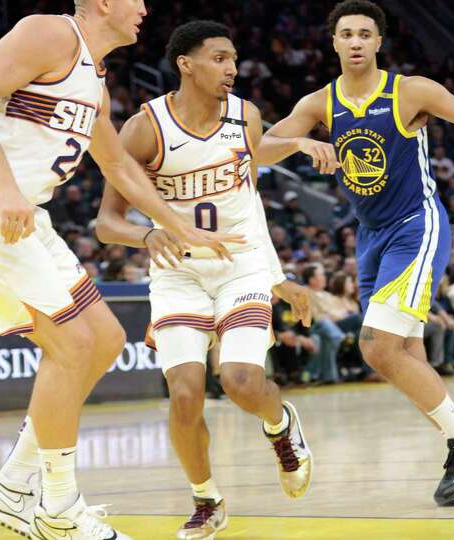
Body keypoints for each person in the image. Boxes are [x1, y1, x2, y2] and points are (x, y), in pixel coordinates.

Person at [0, 4, 240, 539]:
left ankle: (12, 484)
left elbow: (120, 165)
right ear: (104, 1)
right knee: (73, 344)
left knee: (104, 338)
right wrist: (7, 186)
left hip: (24, 217)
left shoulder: (96, 80)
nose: (145, 9)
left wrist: (179, 224)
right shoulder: (48, 32)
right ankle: (58, 509)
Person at [254, 0, 454, 505]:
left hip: (416, 226)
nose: (355, 42)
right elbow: (263, 147)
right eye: (346, 34)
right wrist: (298, 145)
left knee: (377, 346)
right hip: (371, 236)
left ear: (379, 42)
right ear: (334, 42)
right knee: (403, 356)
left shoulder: (409, 91)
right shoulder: (320, 103)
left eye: (364, 33)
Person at [95, 21, 314, 539]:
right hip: (178, 274)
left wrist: (278, 277)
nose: (232, 68)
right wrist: (146, 238)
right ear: (185, 64)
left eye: (234, 59)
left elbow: (250, 203)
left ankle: (280, 425)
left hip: (240, 265)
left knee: (239, 382)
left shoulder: (247, 118)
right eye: (219, 58)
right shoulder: (145, 128)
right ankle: (207, 500)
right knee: (186, 394)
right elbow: (107, 222)